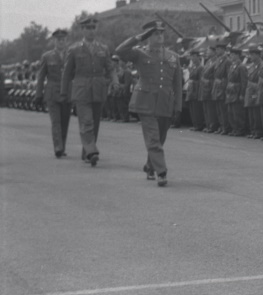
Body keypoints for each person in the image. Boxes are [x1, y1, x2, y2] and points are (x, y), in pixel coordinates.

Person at [116, 20, 182, 187]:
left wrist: (178, 106)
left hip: (165, 102)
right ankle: (162, 172)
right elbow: (120, 51)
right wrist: (138, 38)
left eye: (161, 33)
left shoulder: (173, 56)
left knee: (160, 138)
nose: (159, 36)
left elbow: (177, 84)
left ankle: (150, 166)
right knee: (153, 138)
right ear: (148, 37)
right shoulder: (139, 53)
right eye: (155, 33)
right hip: (145, 102)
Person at [61, 16, 118, 167]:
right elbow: (67, 73)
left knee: (95, 122)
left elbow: (110, 68)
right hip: (81, 89)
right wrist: (63, 92)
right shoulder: (74, 49)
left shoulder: (103, 49)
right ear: (83, 30)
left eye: (93, 28)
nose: (91, 31)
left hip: (98, 89)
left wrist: (115, 81)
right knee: (86, 121)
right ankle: (92, 151)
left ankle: (87, 152)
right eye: (88, 28)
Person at [35, 28, 71, 158]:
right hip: (52, 93)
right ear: (54, 41)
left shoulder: (71, 55)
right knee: (56, 122)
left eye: (63, 39)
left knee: (65, 122)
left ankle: (62, 147)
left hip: (67, 92)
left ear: (66, 41)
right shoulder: (47, 56)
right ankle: (58, 147)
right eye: (58, 40)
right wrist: (38, 94)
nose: (61, 42)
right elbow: (41, 77)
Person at [225, 47, 248, 136]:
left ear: (238, 55)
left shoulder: (241, 66)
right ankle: (234, 128)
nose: (231, 56)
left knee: (238, 112)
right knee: (231, 112)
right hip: (231, 91)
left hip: (237, 91)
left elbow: (244, 81)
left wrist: (242, 93)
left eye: (233, 55)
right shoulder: (232, 65)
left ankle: (240, 129)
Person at [244, 46, 263, 138]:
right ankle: (253, 131)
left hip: (256, 91)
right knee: (251, 113)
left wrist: (253, 86)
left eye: (252, 55)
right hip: (250, 91)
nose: (250, 57)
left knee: (256, 113)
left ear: (257, 55)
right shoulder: (252, 66)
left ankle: (258, 131)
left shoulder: (261, 65)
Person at [212, 43, 231, 134]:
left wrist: (223, 84)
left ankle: (225, 127)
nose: (217, 51)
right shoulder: (218, 60)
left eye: (218, 49)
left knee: (223, 109)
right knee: (218, 109)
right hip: (217, 86)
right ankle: (221, 125)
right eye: (216, 49)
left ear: (224, 50)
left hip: (222, 86)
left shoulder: (227, 61)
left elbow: (229, 76)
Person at [186, 49, 205, 131]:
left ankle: (199, 125)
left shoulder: (200, 67)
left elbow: (201, 80)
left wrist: (194, 83)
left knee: (197, 108)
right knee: (192, 108)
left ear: (198, 57)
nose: (192, 58)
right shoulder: (193, 66)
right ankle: (195, 124)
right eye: (191, 56)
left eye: (194, 56)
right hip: (191, 89)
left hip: (196, 89)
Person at [200, 44, 218, 132]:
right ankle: (208, 125)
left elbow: (216, 75)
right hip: (205, 87)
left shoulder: (216, 61)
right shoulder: (208, 62)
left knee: (211, 109)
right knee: (206, 108)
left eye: (209, 51)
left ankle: (212, 126)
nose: (207, 52)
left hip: (210, 86)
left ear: (214, 52)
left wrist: (208, 81)